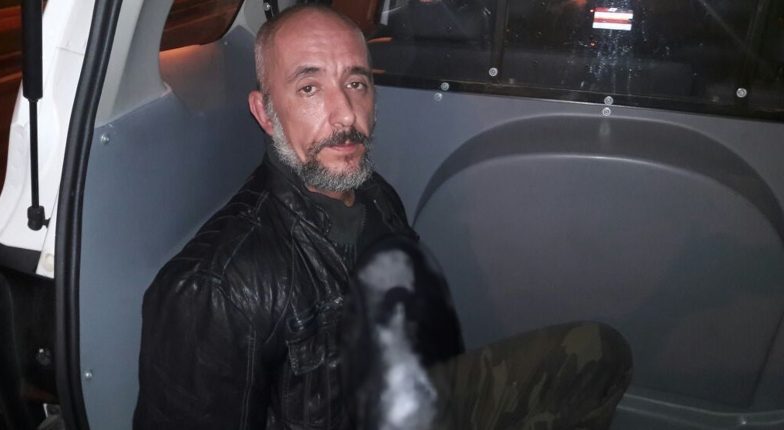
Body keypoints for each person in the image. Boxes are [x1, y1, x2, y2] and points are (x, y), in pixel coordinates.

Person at [133, 5, 631, 430]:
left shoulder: (373, 193)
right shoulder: (215, 289)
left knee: (597, 354)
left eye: (356, 83)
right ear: (265, 112)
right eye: (309, 88)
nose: (346, 115)